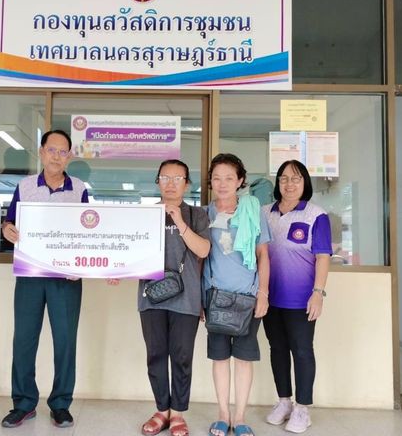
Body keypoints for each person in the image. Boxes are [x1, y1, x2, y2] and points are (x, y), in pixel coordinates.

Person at [0, 129, 89, 429]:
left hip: (66, 277)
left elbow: (89, 232)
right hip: (31, 274)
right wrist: (7, 229)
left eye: (63, 152)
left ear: (69, 157)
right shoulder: (25, 187)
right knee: (24, 340)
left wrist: (84, 262)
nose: (56, 156)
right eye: (51, 150)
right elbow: (10, 223)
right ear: (41, 152)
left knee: (65, 342)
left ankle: (61, 404)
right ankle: (23, 403)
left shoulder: (79, 189)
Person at [138, 159, 210, 436]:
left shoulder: (197, 215)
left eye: (177, 178)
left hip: (187, 297)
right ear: (157, 182)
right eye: (165, 178)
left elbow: (203, 250)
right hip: (150, 296)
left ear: (187, 184)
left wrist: (179, 220)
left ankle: (178, 413)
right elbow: (131, 251)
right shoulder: (145, 214)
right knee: (155, 354)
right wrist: (117, 269)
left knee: (181, 356)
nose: (170, 183)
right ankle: (162, 411)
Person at [262, 160, 332, 434]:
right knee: (277, 349)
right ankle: (284, 402)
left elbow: (322, 256)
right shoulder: (265, 212)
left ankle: (302, 408)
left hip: (301, 299)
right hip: (269, 297)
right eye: (283, 178)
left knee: (302, 351)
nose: (289, 184)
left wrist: (318, 293)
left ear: (305, 183)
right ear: (277, 182)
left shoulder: (316, 215)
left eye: (295, 178)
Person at [204, 154, 271, 436]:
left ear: (240, 181)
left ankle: (240, 417)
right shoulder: (204, 213)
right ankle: (223, 414)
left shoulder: (253, 211)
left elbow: (263, 255)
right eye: (217, 178)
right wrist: (200, 300)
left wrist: (263, 293)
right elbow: (200, 259)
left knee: (243, 358)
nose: (222, 184)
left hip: (248, 297)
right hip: (215, 296)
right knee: (220, 358)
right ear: (211, 181)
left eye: (229, 178)